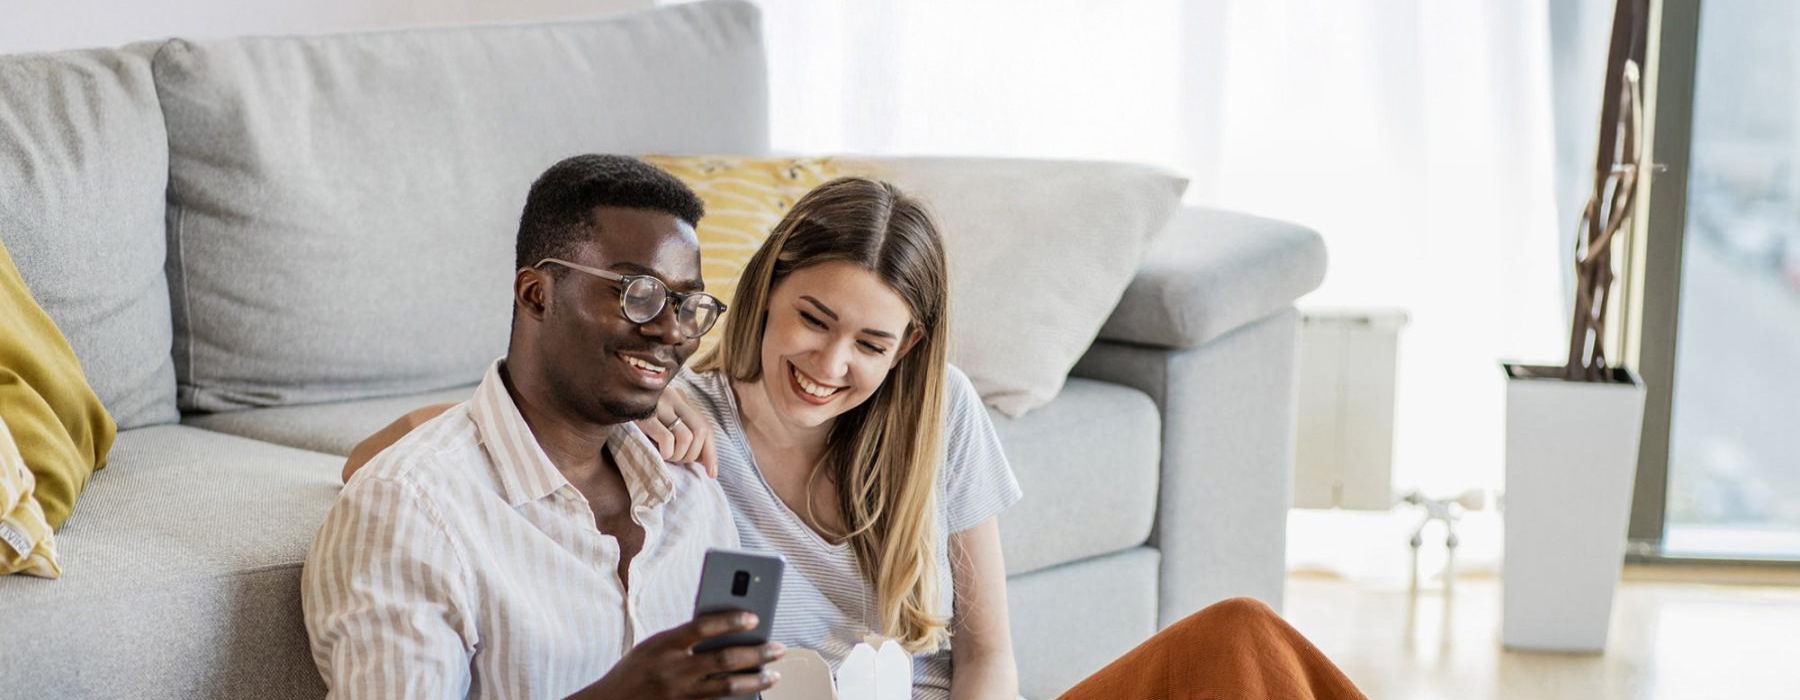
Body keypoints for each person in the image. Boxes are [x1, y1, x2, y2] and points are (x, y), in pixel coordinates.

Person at [346, 176, 1367, 699]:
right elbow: (395, 453)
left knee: (1243, 639)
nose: (832, 365)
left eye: (873, 343)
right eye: (813, 320)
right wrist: (657, 400)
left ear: (909, 347)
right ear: (769, 288)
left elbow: (989, 658)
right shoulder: (681, 415)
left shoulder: (941, 414)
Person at [301, 154, 785, 699]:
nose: (673, 331)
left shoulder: (691, 492)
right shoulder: (410, 509)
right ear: (537, 294)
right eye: (639, 294)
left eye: (687, 303)